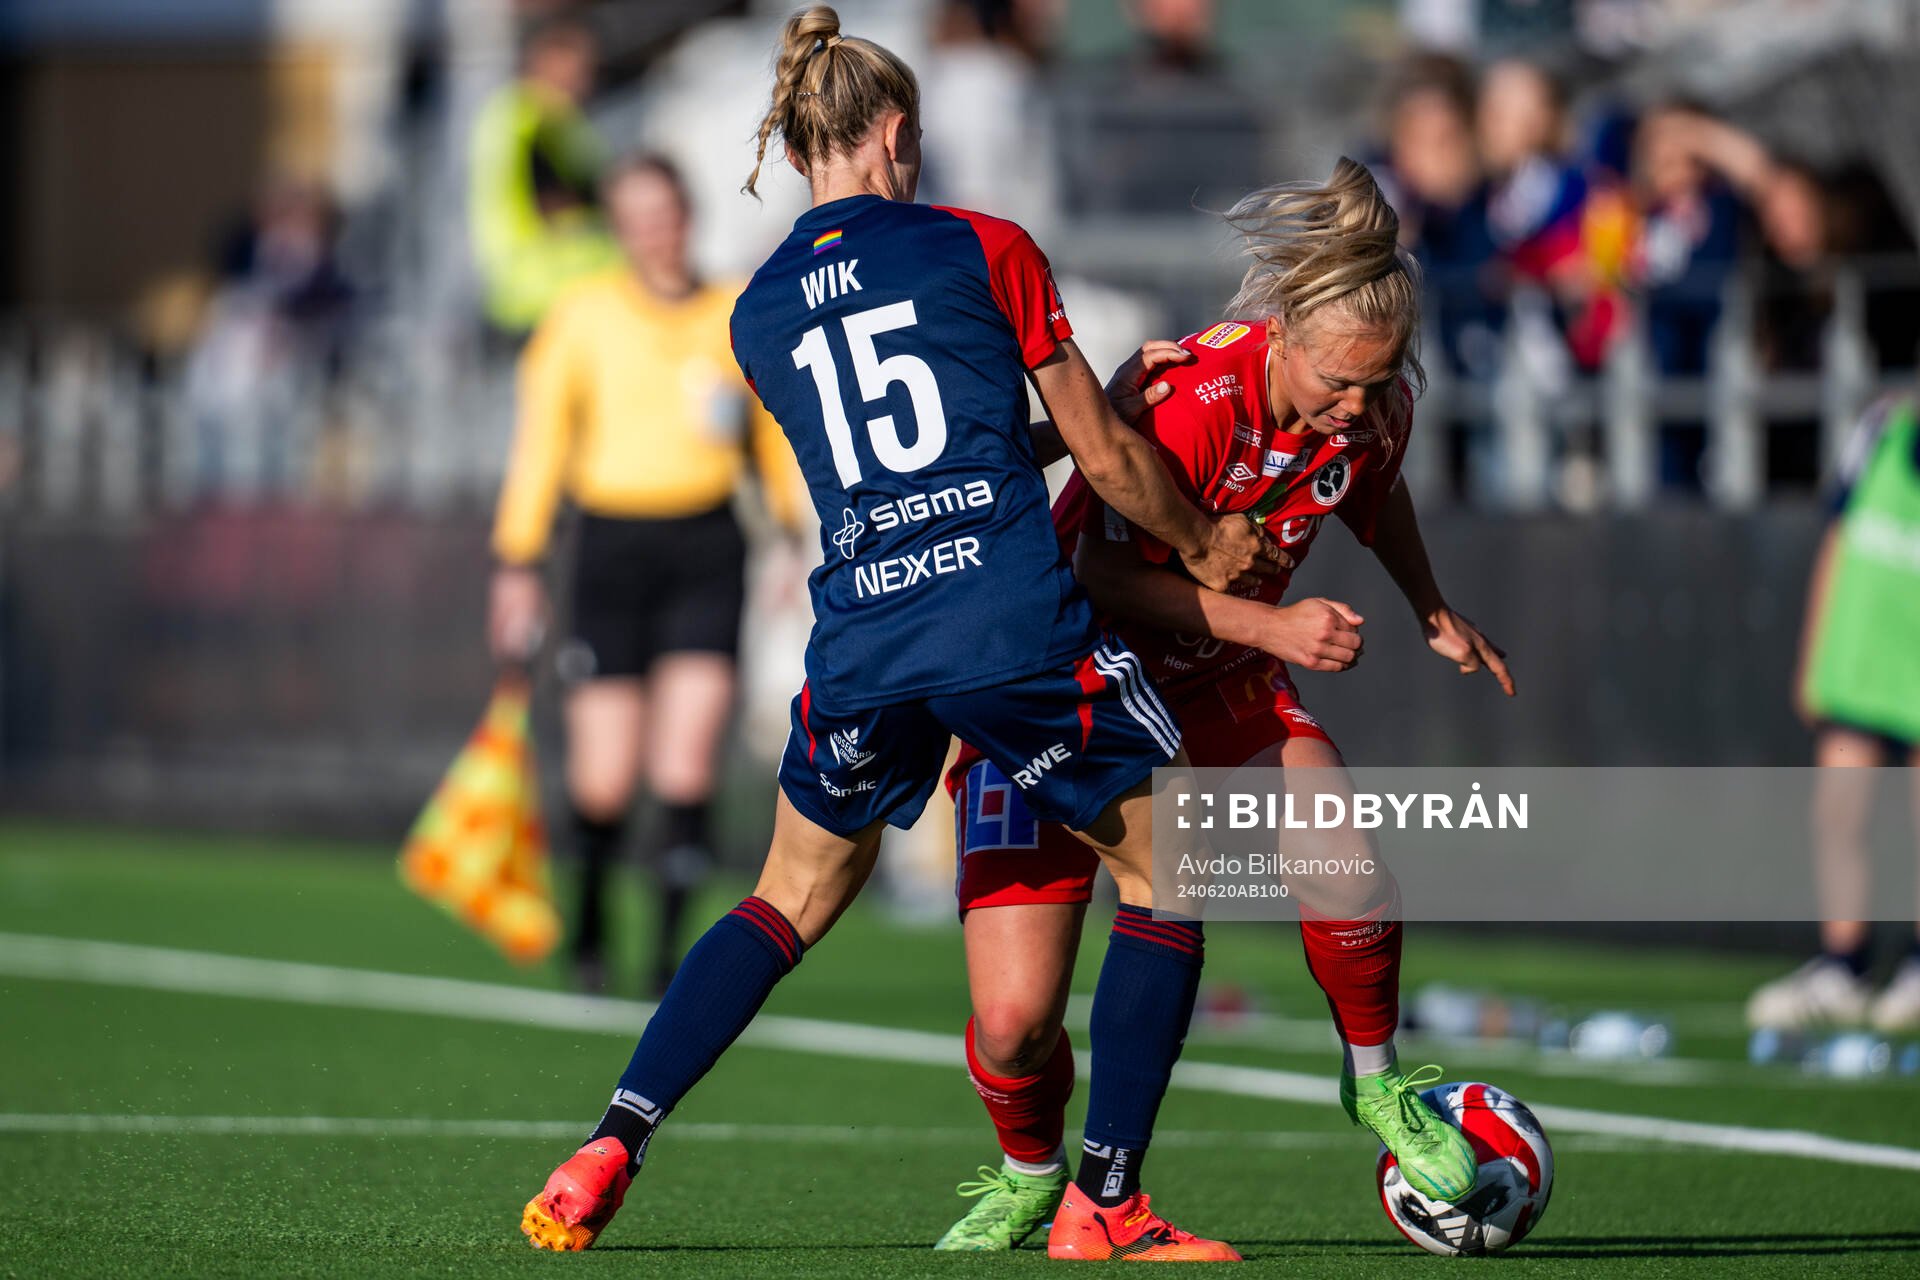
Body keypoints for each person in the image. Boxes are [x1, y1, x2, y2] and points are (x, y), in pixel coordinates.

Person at [518, 6, 1273, 1259]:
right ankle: (1109, 1203)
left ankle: (613, 1135)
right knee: (1173, 865)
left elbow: (900, 462)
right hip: (1005, 620)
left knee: (785, 896)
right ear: (896, 133)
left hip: (867, 634)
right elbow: (1102, 458)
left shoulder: (756, 310)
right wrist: (1205, 540)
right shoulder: (983, 245)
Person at [935, 159, 1515, 1252]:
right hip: (1066, 684)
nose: (1355, 406)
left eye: (1375, 382)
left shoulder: (1371, 405)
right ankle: (1030, 1169)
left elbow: (1372, 498)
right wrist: (1272, 624)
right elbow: (1093, 572)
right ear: (1282, 330)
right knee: (1013, 1025)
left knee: (1334, 830)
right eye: (1337, 381)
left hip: (1212, 680)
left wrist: (1434, 608)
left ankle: (1378, 1081)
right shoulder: (1193, 401)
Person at [489, 154, 804, 997]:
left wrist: (790, 532)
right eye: (634, 217)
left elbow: (775, 429)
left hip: (706, 546)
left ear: (685, 215)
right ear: (617, 229)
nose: (653, 232)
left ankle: (668, 958)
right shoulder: (583, 316)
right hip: (610, 549)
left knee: (686, 766)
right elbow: (541, 444)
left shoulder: (732, 309)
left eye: (664, 212)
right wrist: (518, 560)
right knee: (604, 773)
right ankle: (589, 930)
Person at [1747, 394, 1920, 1033]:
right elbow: (1838, 541)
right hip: (1860, 661)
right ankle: (1845, 965)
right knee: (1839, 814)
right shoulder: (1881, 429)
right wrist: (1816, 654)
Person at [467, 16, 620, 339]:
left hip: (534, 296)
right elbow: (558, 201)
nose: (587, 80)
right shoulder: (535, 121)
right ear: (545, 61)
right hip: (550, 295)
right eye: (579, 67)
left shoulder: (516, 116)